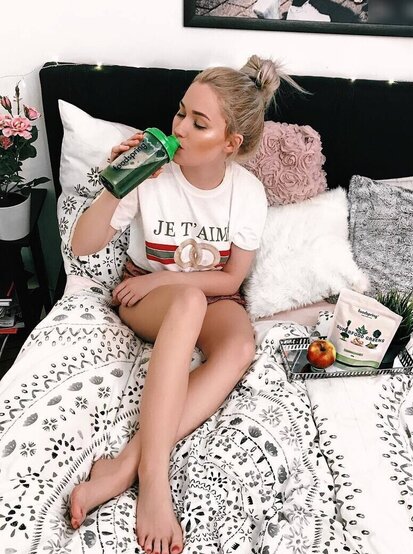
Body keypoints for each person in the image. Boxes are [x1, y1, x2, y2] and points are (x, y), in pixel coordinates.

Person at [68, 55, 302, 554]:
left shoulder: (247, 192)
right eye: (180, 113)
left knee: (240, 347)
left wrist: (169, 277)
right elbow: (82, 246)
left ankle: (126, 464)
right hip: (147, 296)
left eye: (199, 123)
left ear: (230, 143)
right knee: (189, 300)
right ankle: (154, 480)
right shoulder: (151, 175)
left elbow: (232, 277)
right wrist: (117, 181)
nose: (179, 128)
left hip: (210, 292)